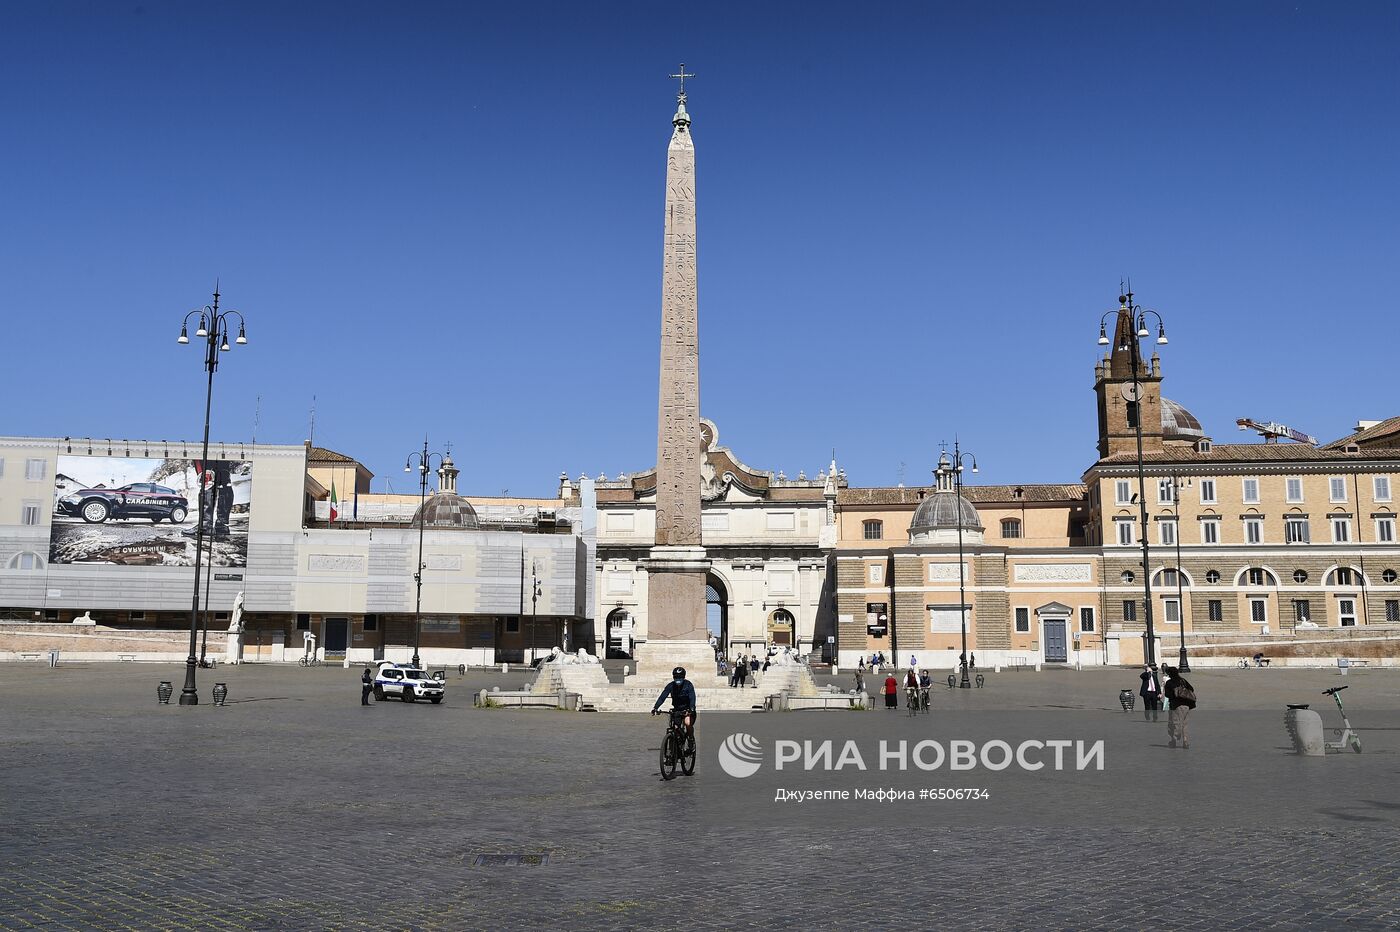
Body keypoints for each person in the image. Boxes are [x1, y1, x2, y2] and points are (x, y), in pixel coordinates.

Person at [651, 666, 697, 737]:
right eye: (676, 677)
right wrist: (655, 707)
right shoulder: (670, 685)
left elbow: (692, 697)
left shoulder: (688, 685)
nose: (678, 679)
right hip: (677, 709)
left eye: (680, 677)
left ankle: (690, 739)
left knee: (687, 723)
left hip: (688, 709)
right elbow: (662, 697)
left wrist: (692, 708)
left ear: (683, 677)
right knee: (675, 727)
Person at [1164, 665, 1197, 749]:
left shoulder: (1169, 683)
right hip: (1187, 705)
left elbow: (1167, 695)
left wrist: (1175, 694)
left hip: (1176, 706)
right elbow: (1191, 689)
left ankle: (1174, 739)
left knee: (1175, 723)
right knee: (1184, 724)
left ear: (1170, 674)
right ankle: (1185, 741)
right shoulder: (1183, 680)